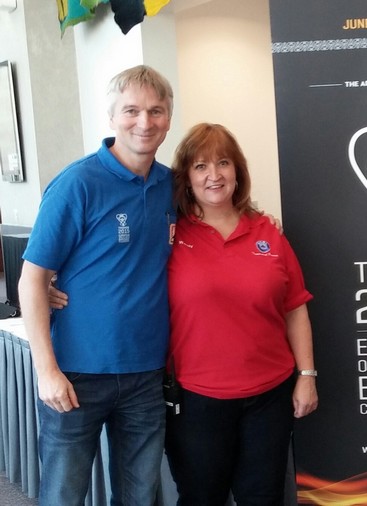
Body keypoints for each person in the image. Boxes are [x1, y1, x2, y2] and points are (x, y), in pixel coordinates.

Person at [18, 65, 175, 505]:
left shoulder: (171, 185)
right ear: (111, 117)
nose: (144, 122)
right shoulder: (77, 183)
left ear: (168, 117)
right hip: (75, 373)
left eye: (156, 111)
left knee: (139, 496)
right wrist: (46, 371)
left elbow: (217, 212)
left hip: (146, 373)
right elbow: (32, 279)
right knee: (64, 495)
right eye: (131, 110)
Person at [164, 123, 318, 506]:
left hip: (269, 398)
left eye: (223, 163)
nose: (213, 175)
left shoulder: (269, 233)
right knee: (201, 498)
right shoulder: (169, 236)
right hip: (196, 399)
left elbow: (295, 309)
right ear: (187, 178)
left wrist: (307, 376)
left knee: (263, 498)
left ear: (237, 171)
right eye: (200, 166)